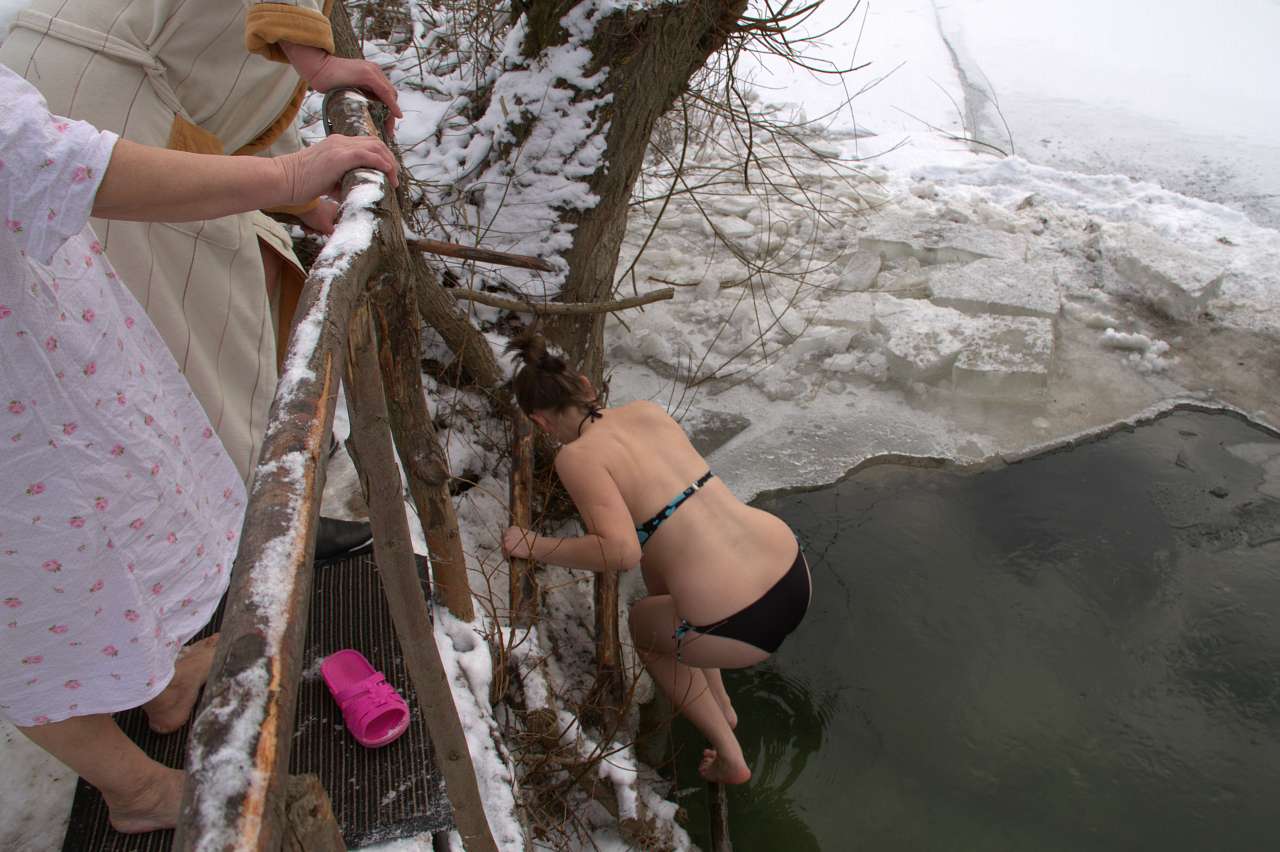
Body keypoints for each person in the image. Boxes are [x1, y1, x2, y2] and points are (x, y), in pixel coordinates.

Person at [0, 64, 397, 834]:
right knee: (29, 604)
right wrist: (286, 174)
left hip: (46, 346)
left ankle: (158, 677)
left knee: (122, 514)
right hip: (20, 405)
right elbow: (44, 159)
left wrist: (290, 187)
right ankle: (134, 789)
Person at [0, 0, 402, 480]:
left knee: (181, 311)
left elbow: (233, 97)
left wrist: (307, 202)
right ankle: (238, 517)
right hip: (103, 100)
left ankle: (222, 504)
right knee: (187, 327)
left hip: (71, 79)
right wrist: (314, 56)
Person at [500, 331, 811, 785]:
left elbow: (619, 550)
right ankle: (722, 704)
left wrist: (531, 545)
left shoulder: (577, 457)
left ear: (541, 423)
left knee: (644, 631)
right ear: (587, 386)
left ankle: (731, 757)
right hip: (793, 573)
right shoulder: (647, 412)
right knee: (667, 577)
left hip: (740, 625)